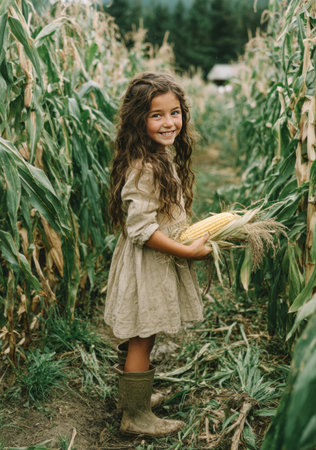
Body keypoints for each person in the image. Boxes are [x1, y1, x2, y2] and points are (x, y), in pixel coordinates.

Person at [104, 72, 211, 437]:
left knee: (142, 335)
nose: (169, 122)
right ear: (138, 119)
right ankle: (134, 417)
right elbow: (142, 229)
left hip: (152, 262)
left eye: (175, 112)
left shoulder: (158, 155)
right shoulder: (144, 166)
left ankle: (134, 398)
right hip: (146, 264)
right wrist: (186, 251)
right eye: (157, 115)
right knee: (142, 335)